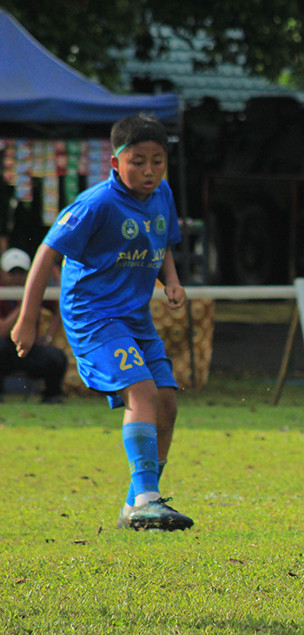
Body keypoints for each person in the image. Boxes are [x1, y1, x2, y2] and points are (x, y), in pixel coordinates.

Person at [11, 114, 194, 532]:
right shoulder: (96, 203)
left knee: (167, 403)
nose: (149, 171)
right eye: (138, 161)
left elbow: (162, 240)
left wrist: (173, 281)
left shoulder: (163, 193)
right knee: (143, 393)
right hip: (93, 316)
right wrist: (27, 320)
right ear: (115, 163)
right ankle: (148, 500)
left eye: (157, 161)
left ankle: (138, 503)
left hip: (136, 317)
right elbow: (45, 254)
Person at [0, 247, 67, 403]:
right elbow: (2, 331)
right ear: (3, 273)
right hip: (6, 350)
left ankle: (52, 396)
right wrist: (27, 306)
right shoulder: (4, 293)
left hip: (29, 347)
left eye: (21, 273)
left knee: (56, 357)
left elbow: (59, 308)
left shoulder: (35, 291)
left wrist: (48, 336)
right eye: (12, 273)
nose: (17, 277)